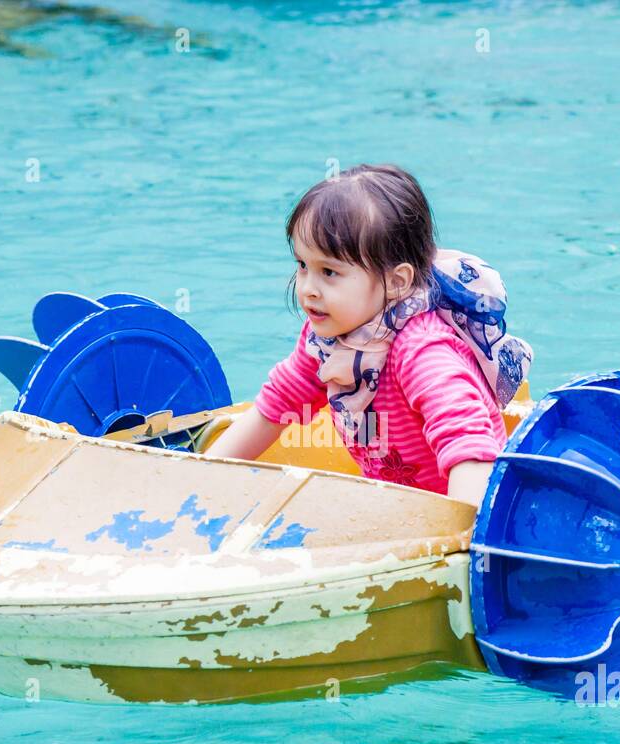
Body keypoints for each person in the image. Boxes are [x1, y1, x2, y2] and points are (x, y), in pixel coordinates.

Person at [207, 163, 533, 508]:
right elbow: (275, 407)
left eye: (329, 272)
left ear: (397, 281)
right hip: (400, 509)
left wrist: (460, 541)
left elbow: (470, 449)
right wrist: (201, 477)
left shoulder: (423, 353)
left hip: (465, 510)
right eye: (303, 266)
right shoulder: (328, 341)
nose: (307, 290)